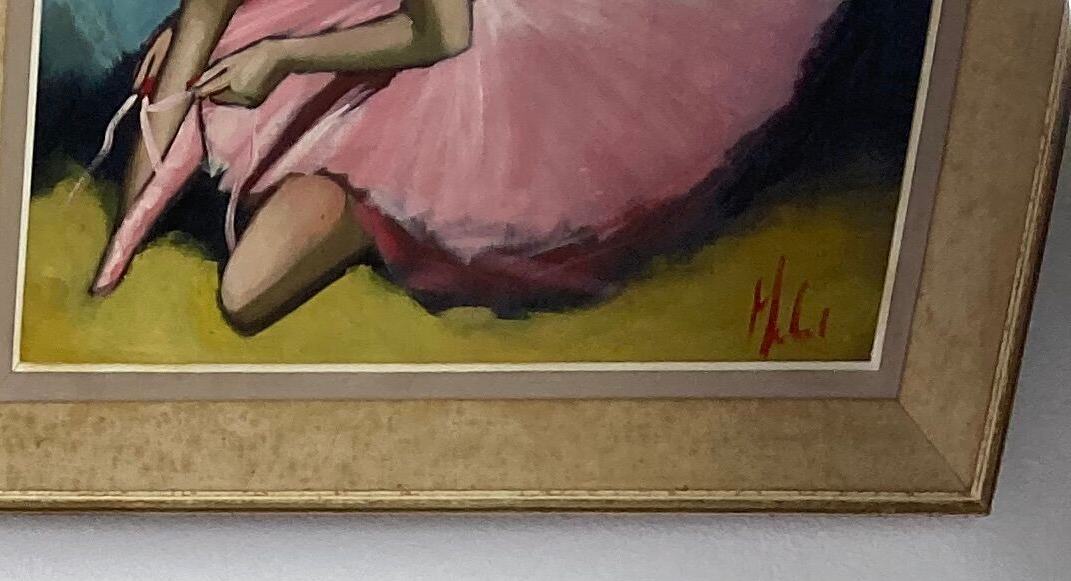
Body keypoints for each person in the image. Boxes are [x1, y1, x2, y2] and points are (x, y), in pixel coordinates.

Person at [97, 0, 852, 336]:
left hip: (478, 56)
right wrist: (122, 243)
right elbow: (199, 28)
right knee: (187, 59)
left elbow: (441, 32)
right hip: (360, 15)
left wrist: (280, 54)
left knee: (246, 294)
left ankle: (368, 205)